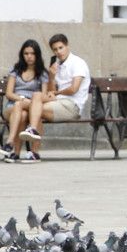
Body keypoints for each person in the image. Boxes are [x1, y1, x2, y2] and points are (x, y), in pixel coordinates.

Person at [18, 34, 91, 162]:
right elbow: (52, 91)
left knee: (34, 108)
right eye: (55, 49)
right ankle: (33, 143)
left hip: (72, 106)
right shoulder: (56, 64)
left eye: (61, 48)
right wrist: (51, 76)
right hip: (58, 102)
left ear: (67, 46)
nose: (58, 52)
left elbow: (74, 89)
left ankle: (31, 140)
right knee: (35, 98)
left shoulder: (78, 63)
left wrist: (57, 93)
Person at [0, 40, 49, 163]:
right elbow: (9, 93)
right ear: (22, 55)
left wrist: (29, 102)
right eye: (26, 53)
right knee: (18, 105)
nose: (29, 56)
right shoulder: (15, 70)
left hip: (31, 107)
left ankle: (13, 150)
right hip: (12, 106)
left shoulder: (42, 73)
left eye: (32, 53)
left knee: (24, 114)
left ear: (37, 55)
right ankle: (13, 143)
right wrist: (22, 100)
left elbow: (43, 95)